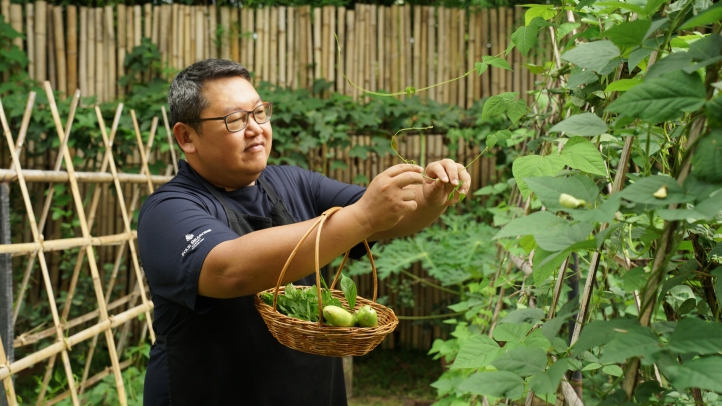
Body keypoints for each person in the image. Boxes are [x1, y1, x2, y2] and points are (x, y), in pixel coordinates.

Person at [137, 58, 471, 406]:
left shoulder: (293, 182)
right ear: (186, 137)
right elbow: (229, 270)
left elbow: (390, 217)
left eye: (259, 113)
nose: (255, 128)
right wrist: (361, 218)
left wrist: (431, 199)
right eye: (235, 120)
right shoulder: (167, 211)